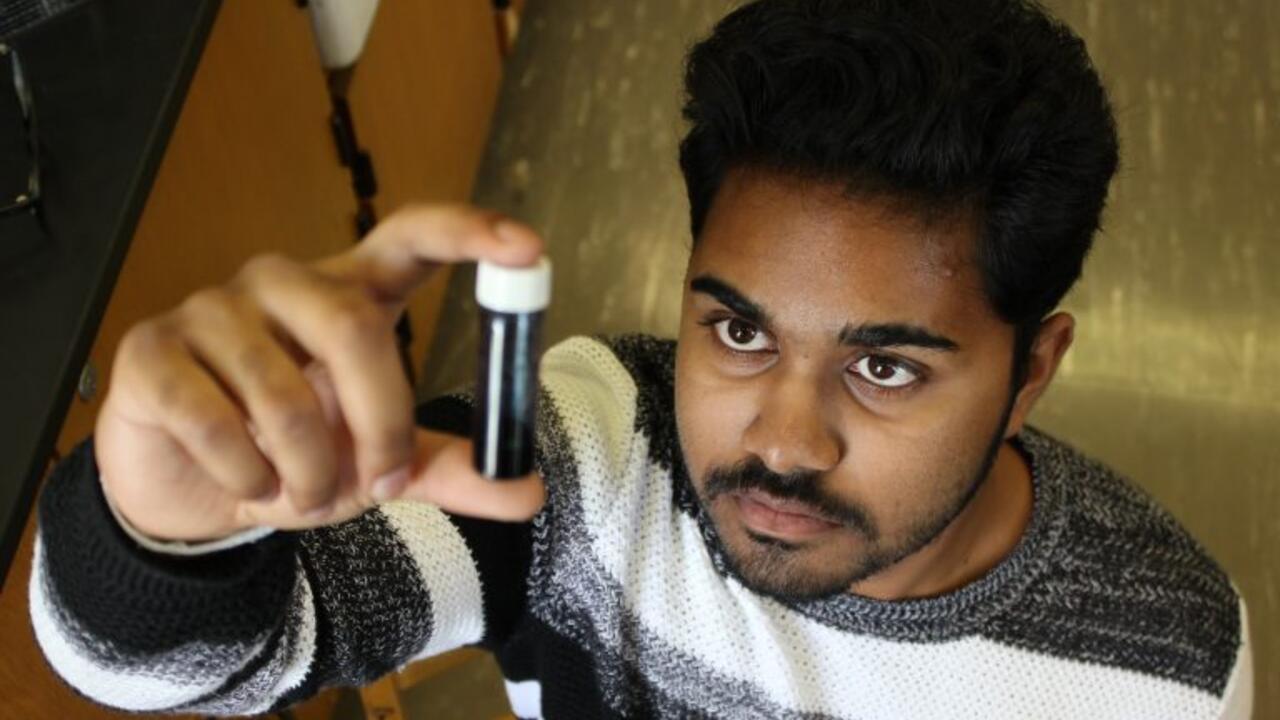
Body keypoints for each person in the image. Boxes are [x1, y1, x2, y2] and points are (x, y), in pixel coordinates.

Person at [29, 0, 1252, 717]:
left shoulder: (1165, 654)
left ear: (1030, 370)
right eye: (736, 329)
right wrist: (158, 529)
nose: (777, 438)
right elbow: (199, 664)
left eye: (884, 367)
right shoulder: (598, 452)